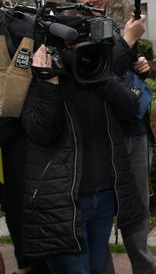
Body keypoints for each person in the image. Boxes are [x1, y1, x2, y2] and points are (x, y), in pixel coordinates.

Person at [63, 0, 156, 274]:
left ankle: (144, 268)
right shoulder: (69, 36)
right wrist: (128, 41)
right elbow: (102, 78)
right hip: (103, 139)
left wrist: (140, 65)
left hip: (135, 132)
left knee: (137, 212)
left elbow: (121, 73)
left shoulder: (111, 28)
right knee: (100, 216)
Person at [21, 39, 144, 274]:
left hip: (104, 196)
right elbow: (41, 132)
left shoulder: (97, 67)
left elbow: (131, 108)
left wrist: (100, 75)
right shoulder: (43, 71)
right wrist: (48, 81)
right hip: (61, 203)